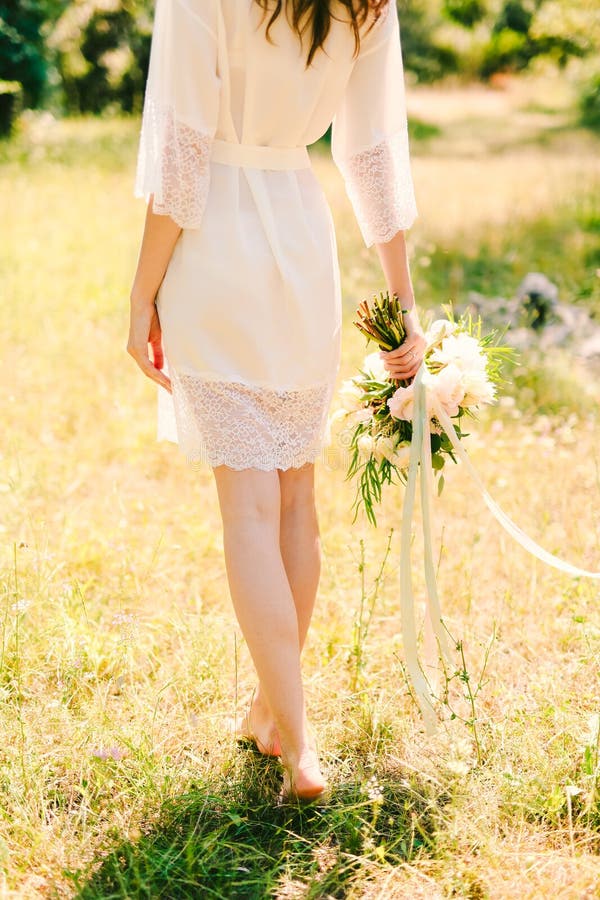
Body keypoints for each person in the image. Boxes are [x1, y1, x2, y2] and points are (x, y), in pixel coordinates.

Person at [126, 0, 425, 800]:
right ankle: (273, 714)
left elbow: (184, 155)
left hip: (216, 245)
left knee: (250, 511)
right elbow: (371, 154)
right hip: (299, 237)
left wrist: (141, 294)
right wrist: (404, 304)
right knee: (296, 500)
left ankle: (299, 746)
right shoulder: (367, 2)